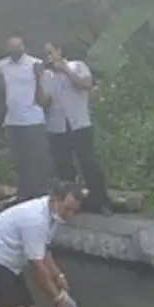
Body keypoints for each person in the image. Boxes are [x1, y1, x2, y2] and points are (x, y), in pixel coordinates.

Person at [41, 43, 112, 213]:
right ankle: (71, 204)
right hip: (57, 127)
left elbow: (85, 84)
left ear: (59, 51)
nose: (48, 57)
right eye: (45, 55)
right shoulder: (46, 76)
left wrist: (65, 69)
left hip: (79, 124)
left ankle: (101, 202)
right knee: (64, 168)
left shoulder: (77, 66)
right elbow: (44, 103)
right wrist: (37, 80)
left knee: (89, 164)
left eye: (51, 52)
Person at [0, 36, 53, 201]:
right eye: (12, 48)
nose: (15, 51)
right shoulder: (2, 65)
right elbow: (0, 84)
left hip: (33, 119)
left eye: (18, 47)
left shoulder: (35, 64)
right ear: (7, 49)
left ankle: (42, 197)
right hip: (13, 121)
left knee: (38, 160)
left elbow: (45, 94)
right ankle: (23, 196)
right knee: (20, 161)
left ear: (23, 47)